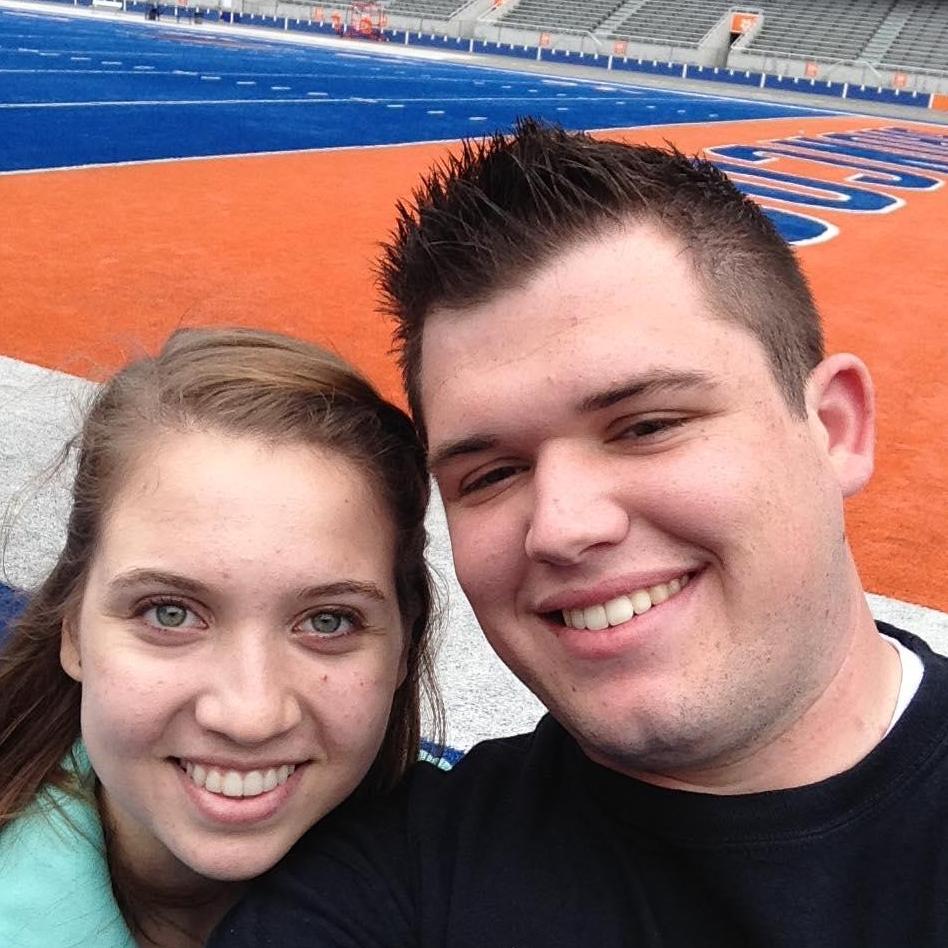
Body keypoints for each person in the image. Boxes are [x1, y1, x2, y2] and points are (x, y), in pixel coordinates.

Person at [210, 118, 948, 946]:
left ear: (835, 429)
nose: (562, 528)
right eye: (490, 474)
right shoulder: (390, 883)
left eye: (646, 426)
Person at [0, 327, 439, 947]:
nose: (249, 717)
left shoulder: (488, 870)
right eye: (170, 613)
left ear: (402, 642)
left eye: (328, 621)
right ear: (72, 628)